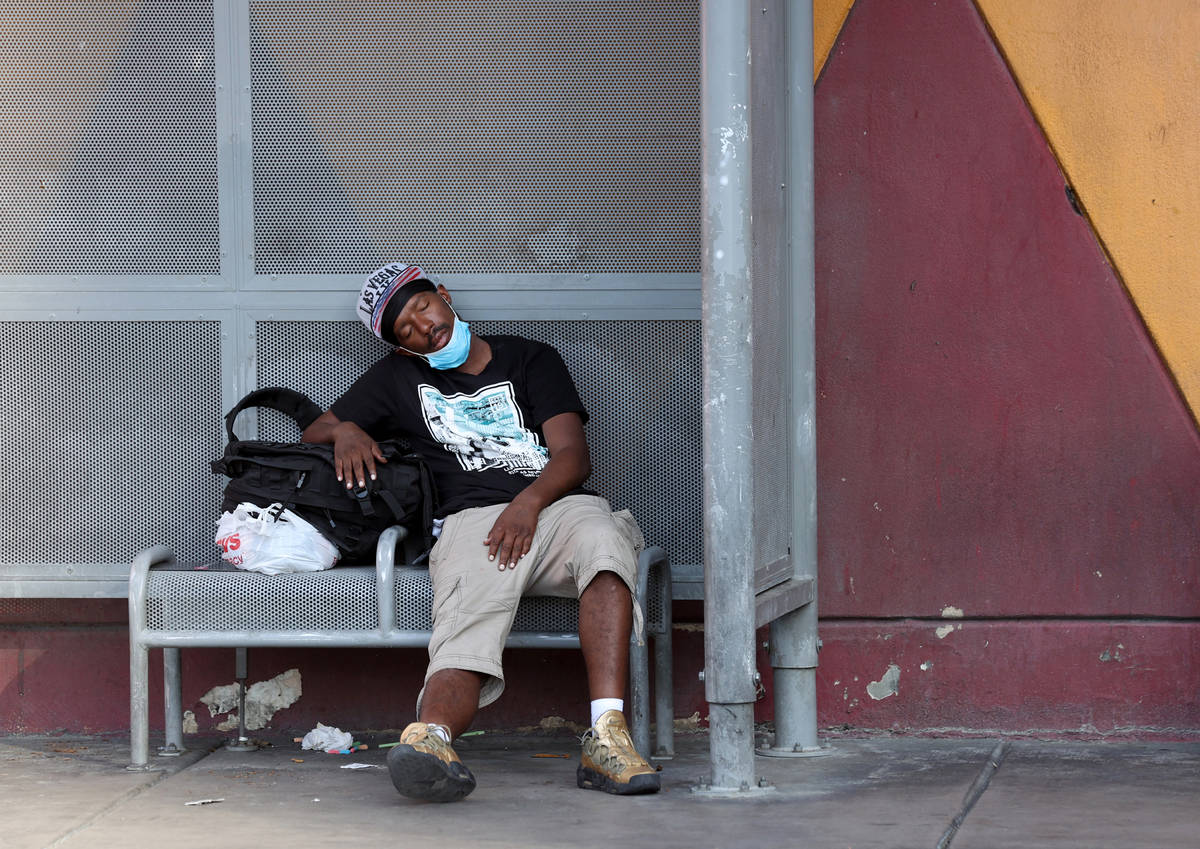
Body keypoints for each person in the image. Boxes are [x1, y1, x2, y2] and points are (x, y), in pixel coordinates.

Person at [302, 263, 661, 802]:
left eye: (422, 307)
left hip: (555, 505)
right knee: (462, 626)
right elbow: (315, 427)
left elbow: (572, 455)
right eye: (405, 329)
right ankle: (430, 743)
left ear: (443, 296)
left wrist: (529, 503)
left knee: (605, 542)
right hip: (474, 523)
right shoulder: (398, 379)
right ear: (402, 348)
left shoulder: (529, 357)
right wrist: (348, 429)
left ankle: (607, 738)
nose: (422, 326)